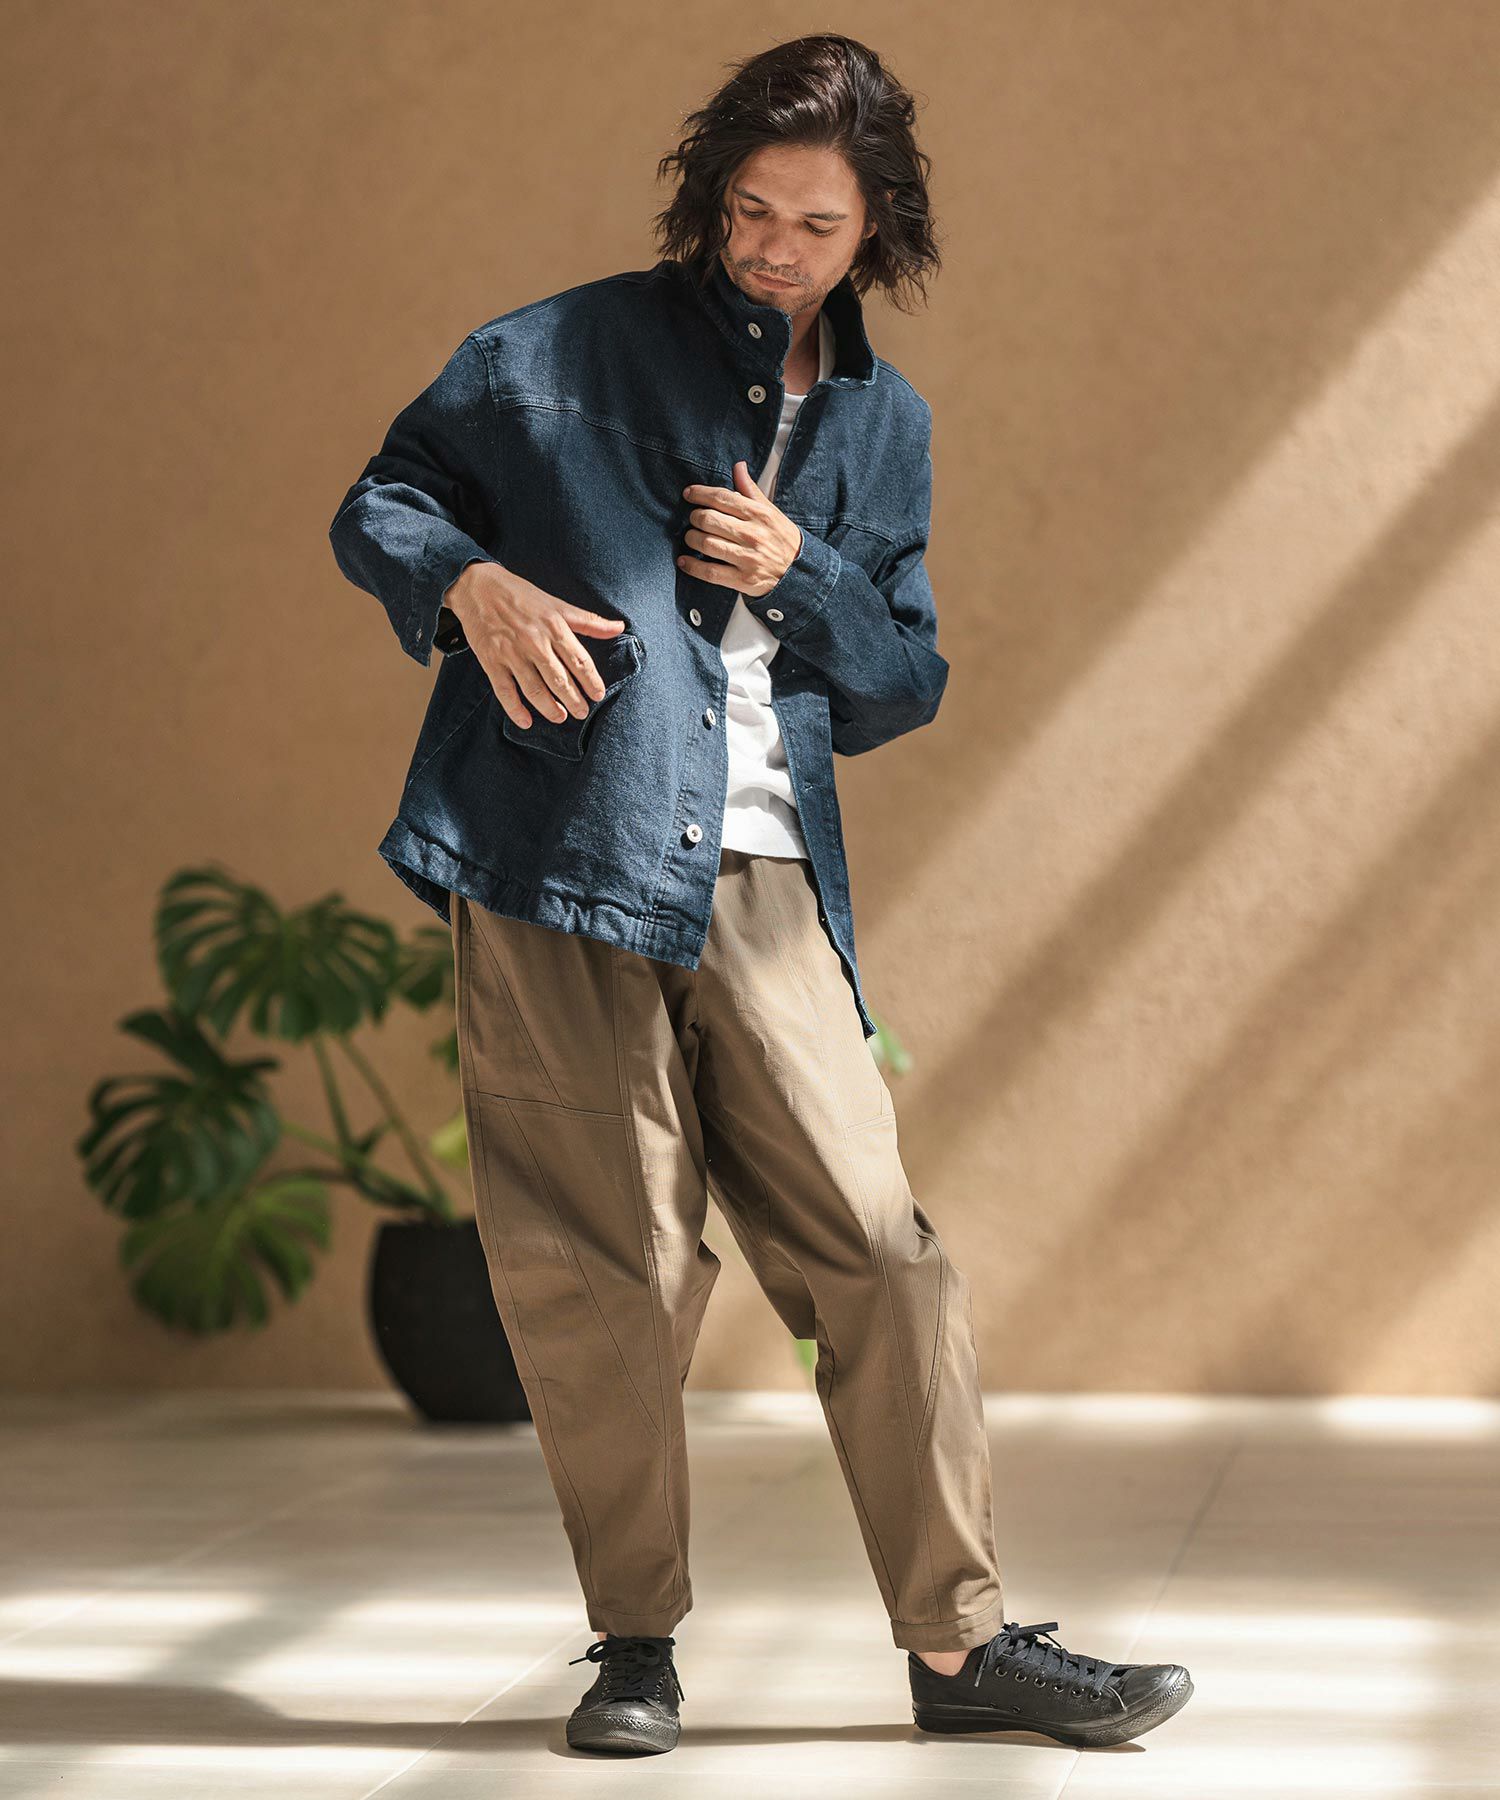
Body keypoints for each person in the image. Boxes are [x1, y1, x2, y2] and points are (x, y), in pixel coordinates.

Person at [328, 30, 1193, 1760]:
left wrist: (806, 583)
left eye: (816, 225)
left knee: (879, 1249)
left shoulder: (884, 425)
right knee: (611, 1270)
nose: (774, 250)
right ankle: (635, 1648)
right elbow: (383, 503)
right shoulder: (551, 352)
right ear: (709, 195)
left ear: (878, 230)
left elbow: (903, 682)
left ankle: (959, 1648)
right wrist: (472, 585)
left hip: (769, 867)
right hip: (558, 856)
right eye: (750, 211)